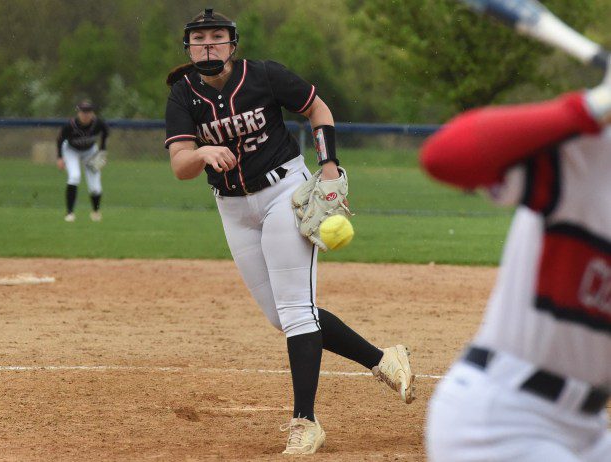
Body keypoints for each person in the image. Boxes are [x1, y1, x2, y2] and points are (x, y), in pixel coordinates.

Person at [165, 8, 415, 455]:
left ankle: (306, 421)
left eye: (217, 37)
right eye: (199, 38)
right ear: (188, 46)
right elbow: (181, 165)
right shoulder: (183, 94)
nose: (208, 45)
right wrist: (203, 151)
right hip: (234, 208)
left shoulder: (263, 76)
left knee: (298, 311)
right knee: (284, 317)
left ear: (232, 43)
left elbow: (317, 108)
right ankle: (383, 361)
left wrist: (329, 165)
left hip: (285, 192)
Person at [421, 57, 611, 461]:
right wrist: (593, 104)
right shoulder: (590, 154)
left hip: (589, 430)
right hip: (501, 422)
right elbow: (445, 156)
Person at [56, 99, 109, 222]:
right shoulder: (70, 125)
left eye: (88, 112)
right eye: (83, 112)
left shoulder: (98, 123)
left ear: (93, 113)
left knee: (95, 187)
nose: (86, 115)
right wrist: (60, 157)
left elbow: (105, 133)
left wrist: (102, 153)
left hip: (90, 151)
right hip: (71, 151)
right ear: (78, 113)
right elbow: (59, 140)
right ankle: (70, 213)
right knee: (74, 176)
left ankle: (95, 212)